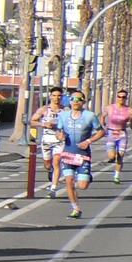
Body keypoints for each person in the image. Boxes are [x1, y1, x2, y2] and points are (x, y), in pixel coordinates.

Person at [54, 91, 100, 219]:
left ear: (83, 102)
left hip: (83, 155)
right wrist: (60, 136)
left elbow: (101, 132)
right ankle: (75, 208)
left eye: (79, 99)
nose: (75, 101)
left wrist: (88, 141)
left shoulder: (90, 116)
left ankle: (87, 176)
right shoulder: (63, 116)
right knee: (69, 181)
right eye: (73, 99)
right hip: (68, 153)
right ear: (69, 101)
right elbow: (59, 131)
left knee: (82, 186)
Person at [34, 86, 66, 196]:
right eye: (54, 96)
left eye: (59, 96)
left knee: (56, 162)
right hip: (47, 140)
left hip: (59, 140)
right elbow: (32, 121)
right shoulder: (44, 109)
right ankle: (50, 171)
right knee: (48, 164)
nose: (56, 98)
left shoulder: (65, 110)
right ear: (50, 96)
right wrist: (43, 124)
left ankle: (53, 188)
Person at [102, 88, 132, 184]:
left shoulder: (129, 110)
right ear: (116, 97)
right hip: (111, 133)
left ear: (126, 98)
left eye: (123, 97)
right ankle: (114, 158)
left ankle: (116, 176)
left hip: (122, 134)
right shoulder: (110, 108)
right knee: (112, 156)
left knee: (120, 156)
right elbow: (103, 116)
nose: (121, 99)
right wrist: (103, 124)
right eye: (119, 97)